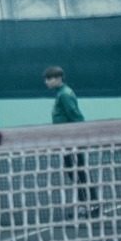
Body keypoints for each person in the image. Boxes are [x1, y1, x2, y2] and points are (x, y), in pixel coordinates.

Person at [44, 66, 100, 215]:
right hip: (66, 142)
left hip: (72, 141)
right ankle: (83, 206)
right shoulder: (61, 94)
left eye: (49, 78)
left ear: (59, 78)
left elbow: (76, 116)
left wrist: (80, 137)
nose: (46, 82)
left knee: (80, 173)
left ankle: (94, 207)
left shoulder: (64, 95)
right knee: (74, 174)